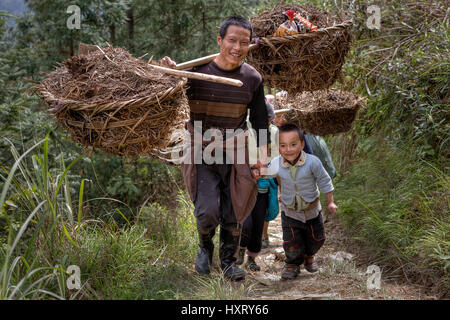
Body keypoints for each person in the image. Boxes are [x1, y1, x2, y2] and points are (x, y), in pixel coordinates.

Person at [160, 16, 270, 281]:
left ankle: (229, 260)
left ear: (249, 45)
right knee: (207, 208)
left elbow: (258, 121)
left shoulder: (252, 78)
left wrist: (263, 157)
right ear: (219, 40)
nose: (237, 47)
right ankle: (205, 247)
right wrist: (170, 73)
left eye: (244, 42)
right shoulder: (195, 71)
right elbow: (166, 95)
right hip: (201, 148)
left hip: (235, 149)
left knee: (235, 206)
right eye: (232, 40)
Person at [262, 123, 338, 280]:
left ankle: (309, 256)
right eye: (283, 145)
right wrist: (258, 172)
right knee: (291, 241)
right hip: (290, 210)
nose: (288, 149)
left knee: (317, 238)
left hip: (311, 210)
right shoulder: (276, 163)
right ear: (278, 147)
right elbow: (266, 173)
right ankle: (292, 264)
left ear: (302, 144)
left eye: (293, 144)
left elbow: (324, 181)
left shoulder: (313, 162)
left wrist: (330, 201)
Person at [235, 100, 278, 271]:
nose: (264, 123)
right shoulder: (243, 131)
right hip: (245, 183)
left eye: (267, 120)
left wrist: (263, 170)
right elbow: (238, 155)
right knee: (246, 223)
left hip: (263, 184)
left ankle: (252, 258)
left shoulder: (274, 133)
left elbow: (276, 160)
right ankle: (239, 252)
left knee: (259, 222)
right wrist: (251, 168)